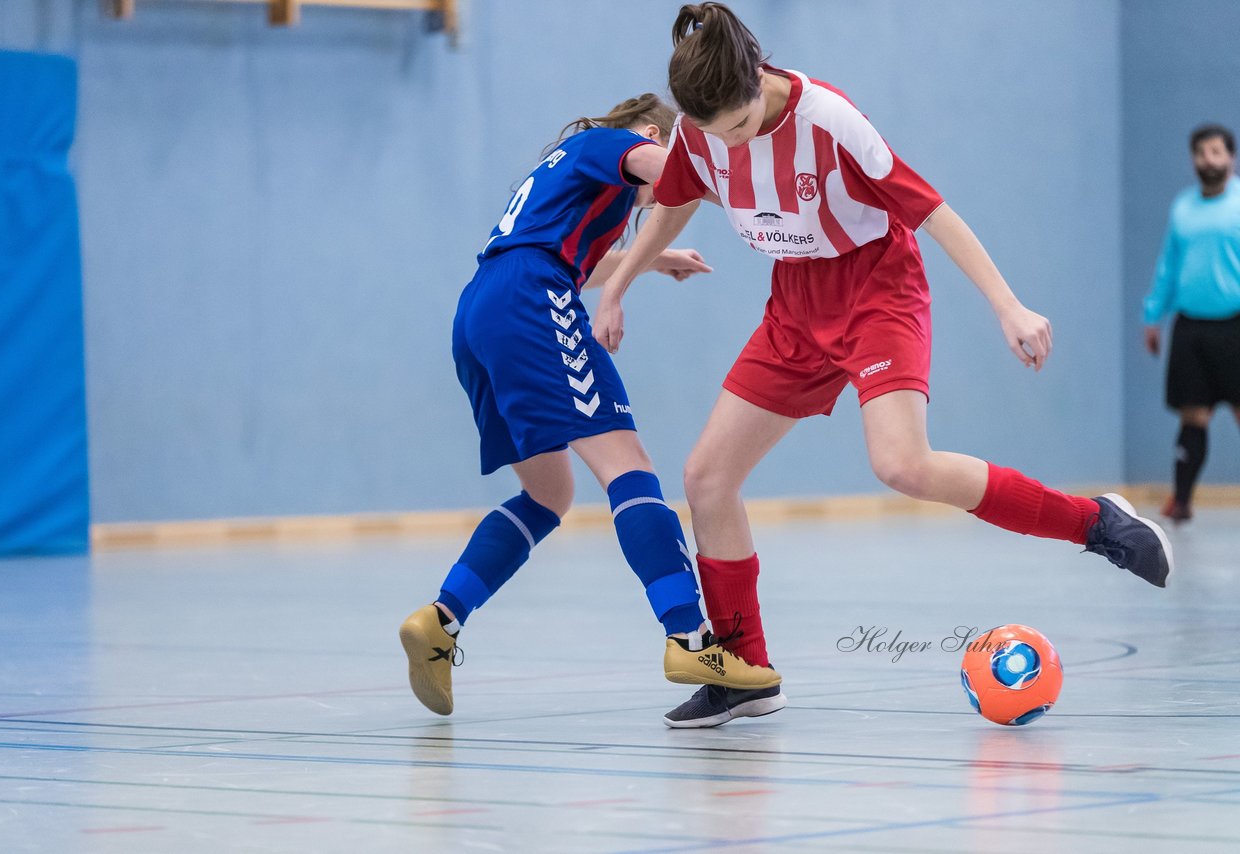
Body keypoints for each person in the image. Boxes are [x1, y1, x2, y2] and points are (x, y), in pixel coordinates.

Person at [594, 3, 1175, 729]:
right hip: (795, 301)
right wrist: (617, 287)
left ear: (759, 80)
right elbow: (675, 203)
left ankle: (1095, 523)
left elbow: (933, 212)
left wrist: (1009, 306)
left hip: (875, 287)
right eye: (715, 135)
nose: (730, 146)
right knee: (706, 478)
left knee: (903, 465)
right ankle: (745, 674)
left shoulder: (831, 122)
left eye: (740, 127)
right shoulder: (702, 133)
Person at [399, 94, 781, 717]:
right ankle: (689, 638)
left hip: (481, 310)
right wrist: (764, 192)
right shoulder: (612, 144)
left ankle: (440, 620)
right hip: (530, 300)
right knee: (628, 467)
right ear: (653, 130)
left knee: (549, 494)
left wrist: (654, 261)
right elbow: (680, 172)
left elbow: (578, 260)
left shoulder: (567, 169)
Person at [1143, 123, 1240, 523]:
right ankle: (1181, 500)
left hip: (1235, 325)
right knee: (1193, 416)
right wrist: (1153, 315)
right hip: (1192, 328)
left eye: (1216, 152)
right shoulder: (1183, 207)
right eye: (1201, 153)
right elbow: (1169, 265)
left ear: (1230, 157)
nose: (1208, 160)